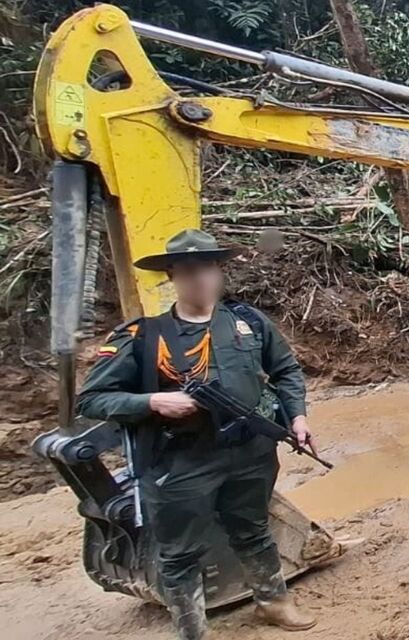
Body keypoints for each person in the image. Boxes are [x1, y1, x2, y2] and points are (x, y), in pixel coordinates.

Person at [77, 229, 316, 639]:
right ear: (172, 275)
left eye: (206, 267)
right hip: (179, 461)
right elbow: (92, 399)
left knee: (253, 528)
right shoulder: (142, 337)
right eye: (187, 270)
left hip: (249, 452)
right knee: (178, 553)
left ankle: (273, 602)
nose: (199, 278)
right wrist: (153, 402)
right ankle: (193, 629)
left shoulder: (249, 322)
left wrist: (297, 417)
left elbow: (286, 371)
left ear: (219, 271)